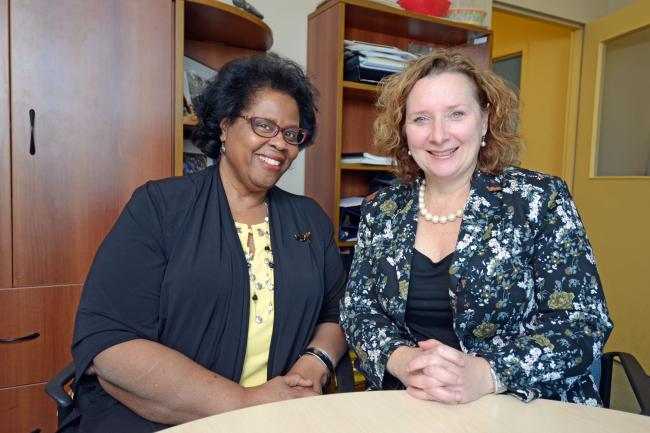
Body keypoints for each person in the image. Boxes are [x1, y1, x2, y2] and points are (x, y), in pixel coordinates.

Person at [65, 53, 347, 432]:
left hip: (278, 415)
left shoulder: (309, 218)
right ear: (226, 126)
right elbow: (108, 342)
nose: (279, 144)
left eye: (291, 134)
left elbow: (336, 314)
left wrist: (315, 362)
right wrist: (244, 402)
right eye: (263, 126)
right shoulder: (159, 206)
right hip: (156, 418)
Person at [340, 50, 613, 406]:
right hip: (412, 404)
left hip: (523, 408)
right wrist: (404, 361)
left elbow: (583, 322)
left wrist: (488, 373)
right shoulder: (381, 209)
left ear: (484, 120)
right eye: (421, 118)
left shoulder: (538, 199)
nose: (439, 135)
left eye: (456, 114)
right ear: (403, 129)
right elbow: (358, 309)